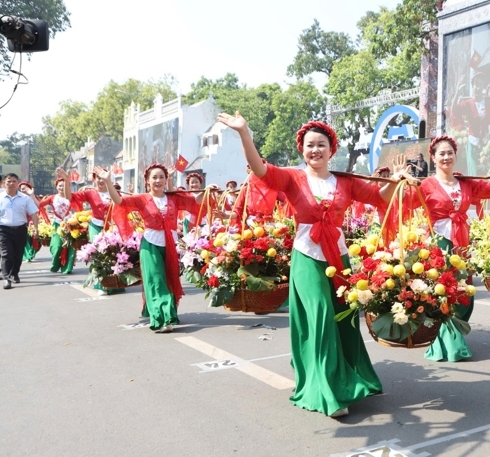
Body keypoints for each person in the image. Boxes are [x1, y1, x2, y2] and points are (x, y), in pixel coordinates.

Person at [218, 111, 407, 418]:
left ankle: (351, 376)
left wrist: (395, 182)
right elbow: (260, 170)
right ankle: (328, 391)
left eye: (321, 144)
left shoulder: (344, 182)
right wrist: (243, 133)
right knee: (319, 317)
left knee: (344, 319)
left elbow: (377, 196)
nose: (315, 150)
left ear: (332, 150)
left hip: (339, 258)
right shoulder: (292, 179)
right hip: (307, 257)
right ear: (302, 150)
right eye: (310, 145)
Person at [401, 135, 490, 362]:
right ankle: (446, 341)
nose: (446, 157)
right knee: (441, 291)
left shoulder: (466, 184)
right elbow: (404, 202)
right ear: (433, 158)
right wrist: (401, 182)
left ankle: (453, 333)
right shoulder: (426, 186)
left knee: (464, 291)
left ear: (455, 156)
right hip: (438, 243)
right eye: (441, 154)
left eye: (450, 153)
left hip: (462, 242)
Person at [109, 163, 211, 333]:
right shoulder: (142, 199)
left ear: (166, 180)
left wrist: (207, 190)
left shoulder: (174, 198)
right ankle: (161, 319)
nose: (158, 180)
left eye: (161, 177)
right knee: (156, 281)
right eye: (154, 177)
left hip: (170, 245)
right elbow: (118, 201)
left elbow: (195, 202)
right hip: (150, 246)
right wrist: (108, 181)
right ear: (147, 181)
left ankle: (168, 315)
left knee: (169, 280)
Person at [71, 167, 125, 295]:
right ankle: (101, 284)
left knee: (113, 255)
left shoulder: (115, 192)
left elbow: (123, 207)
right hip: (96, 226)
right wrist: (68, 181)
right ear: (94, 179)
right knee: (98, 254)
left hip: (111, 228)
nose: (101, 180)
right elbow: (71, 197)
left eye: (103, 177)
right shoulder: (90, 193)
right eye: (98, 178)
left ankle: (115, 283)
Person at [0, 173, 40, 289]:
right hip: (3, 229)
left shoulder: (25, 199)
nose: (11, 184)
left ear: (18, 183)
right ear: (4, 183)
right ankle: (7, 278)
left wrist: (36, 228)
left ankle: (14, 273)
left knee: (17, 254)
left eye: (14, 181)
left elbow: (33, 213)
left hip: (20, 229)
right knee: (6, 253)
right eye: (9, 181)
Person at [38, 169, 76, 274]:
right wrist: (31, 195)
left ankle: (67, 268)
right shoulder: (52, 198)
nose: (61, 188)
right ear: (56, 187)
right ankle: (55, 265)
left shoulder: (71, 197)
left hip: (70, 224)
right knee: (57, 246)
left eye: (64, 186)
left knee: (69, 247)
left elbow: (80, 206)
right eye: (59, 185)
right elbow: (39, 204)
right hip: (57, 224)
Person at [18, 182, 41, 262]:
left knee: (34, 239)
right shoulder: (18, 198)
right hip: (22, 221)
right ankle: (27, 255)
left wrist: (32, 195)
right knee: (26, 240)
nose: (23, 190)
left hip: (32, 221)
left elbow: (39, 206)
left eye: (25, 188)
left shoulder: (33, 198)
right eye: (21, 189)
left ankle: (31, 253)